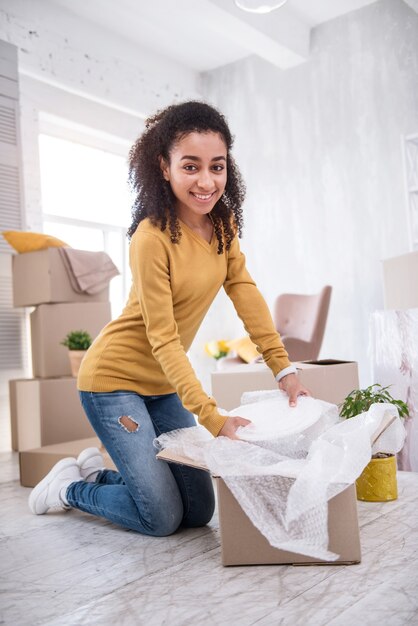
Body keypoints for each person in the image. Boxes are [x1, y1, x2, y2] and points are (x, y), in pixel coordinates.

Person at [28, 101, 310, 535]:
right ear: (164, 167)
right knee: (161, 518)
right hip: (112, 382)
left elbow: (243, 290)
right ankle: (69, 489)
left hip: (162, 387)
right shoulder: (151, 238)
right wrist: (212, 418)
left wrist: (283, 367)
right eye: (190, 166)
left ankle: (96, 474)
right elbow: (163, 339)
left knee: (197, 512)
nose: (206, 181)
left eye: (217, 167)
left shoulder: (223, 226)